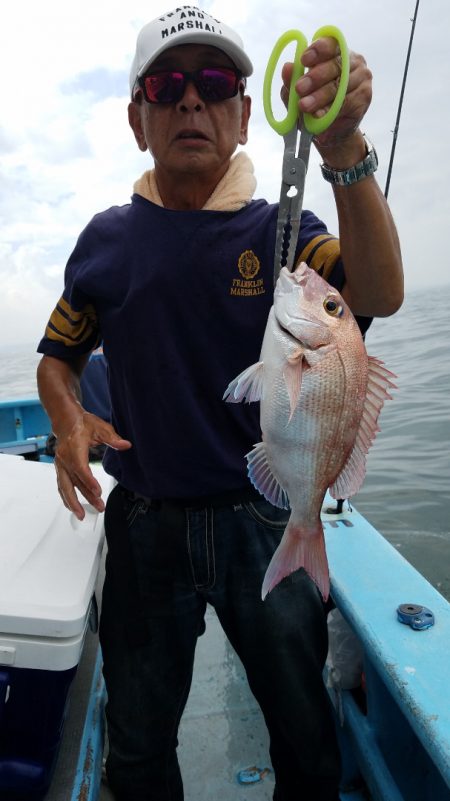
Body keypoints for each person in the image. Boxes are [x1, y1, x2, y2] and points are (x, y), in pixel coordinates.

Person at [36, 6, 403, 801]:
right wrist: (66, 420)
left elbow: (374, 294)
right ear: (139, 119)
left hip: (264, 516)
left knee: (305, 734)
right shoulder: (106, 242)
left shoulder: (285, 231)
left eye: (214, 84)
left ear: (243, 113)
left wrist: (343, 151)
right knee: (136, 746)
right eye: (168, 86)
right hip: (146, 520)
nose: (190, 103)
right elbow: (56, 357)